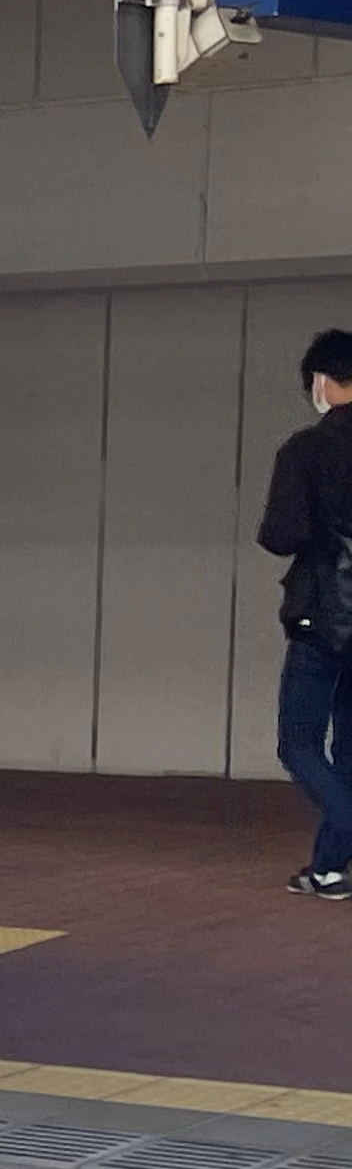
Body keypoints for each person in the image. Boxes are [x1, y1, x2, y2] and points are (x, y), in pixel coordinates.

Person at [259, 331, 352, 898]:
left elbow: (281, 534)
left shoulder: (304, 451)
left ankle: (344, 836)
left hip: (322, 615)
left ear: (321, 381)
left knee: (298, 744)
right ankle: (329, 870)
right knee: (350, 751)